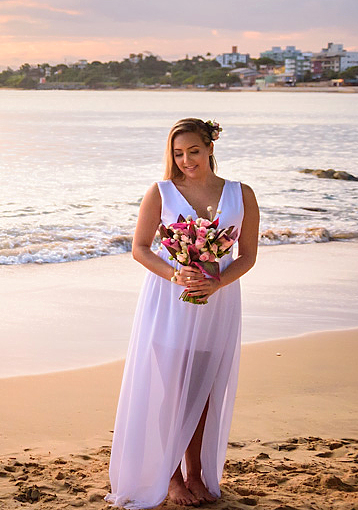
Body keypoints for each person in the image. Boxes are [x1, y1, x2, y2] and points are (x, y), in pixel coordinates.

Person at [107, 119, 260, 508]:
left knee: (203, 391)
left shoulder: (242, 194)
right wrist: (177, 274)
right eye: (178, 153)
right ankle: (171, 477)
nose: (186, 160)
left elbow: (247, 256)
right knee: (173, 391)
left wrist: (217, 282)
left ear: (210, 147)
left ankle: (196, 473)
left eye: (193, 150)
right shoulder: (160, 192)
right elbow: (140, 248)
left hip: (217, 302)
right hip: (169, 302)